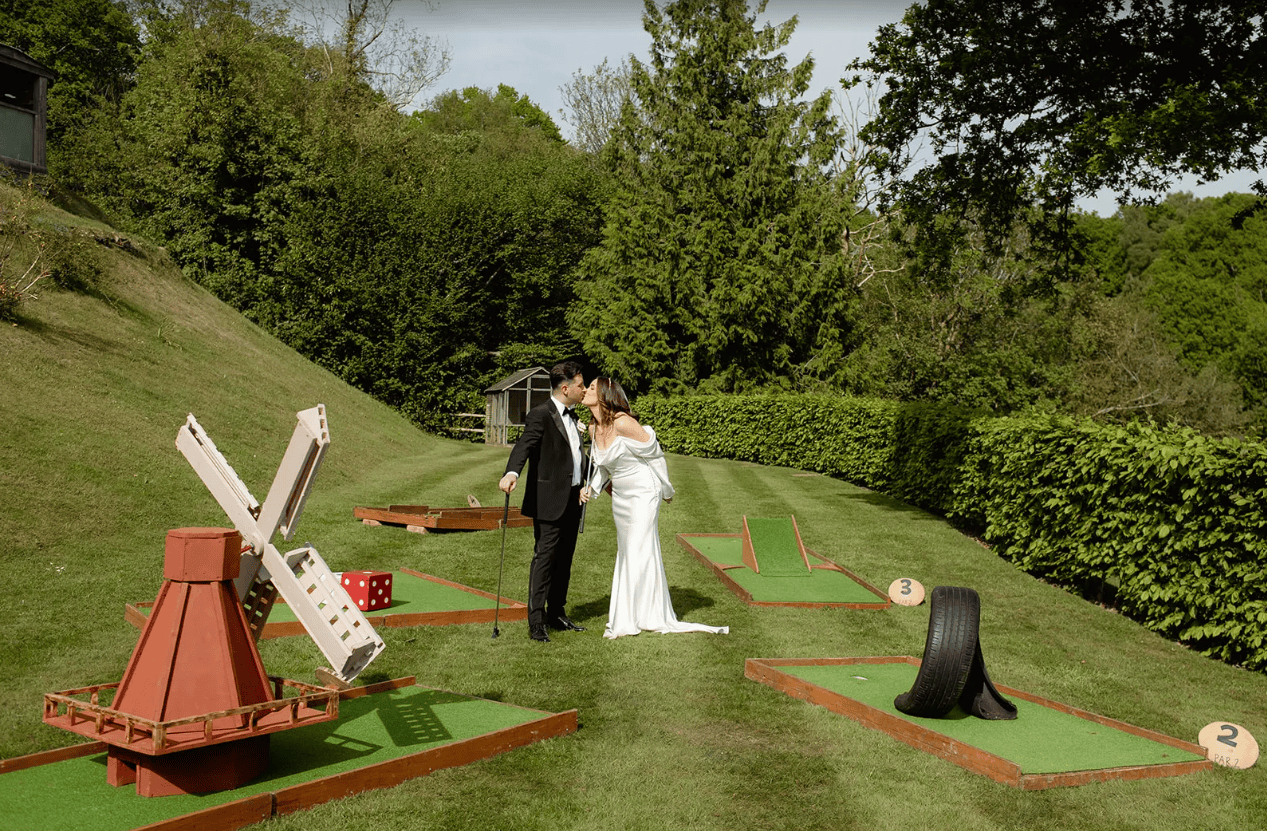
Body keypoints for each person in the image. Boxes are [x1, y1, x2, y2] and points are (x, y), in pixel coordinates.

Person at [580, 377, 728, 639]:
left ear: (604, 395)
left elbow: (655, 455)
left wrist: (667, 490)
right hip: (622, 498)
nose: (585, 391)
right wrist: (590, 488)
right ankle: (634, 612)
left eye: (591, 387)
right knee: (628, 551)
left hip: (644, 492)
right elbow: (602, 466)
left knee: (639, 548)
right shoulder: (593, 428)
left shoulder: (623, 422)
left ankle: (644, 615)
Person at [499, 361, 589, 643]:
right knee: (545, 559)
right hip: (549, 500)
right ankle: (536, 620)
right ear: (566, 388)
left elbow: (576, 455)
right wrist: (512, 472)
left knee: (565, 559)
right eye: (580, 385)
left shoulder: (574, 417)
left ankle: (557, 612)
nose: (584, 390)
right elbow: (524, 444)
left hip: (574, 499)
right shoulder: (540, 414)